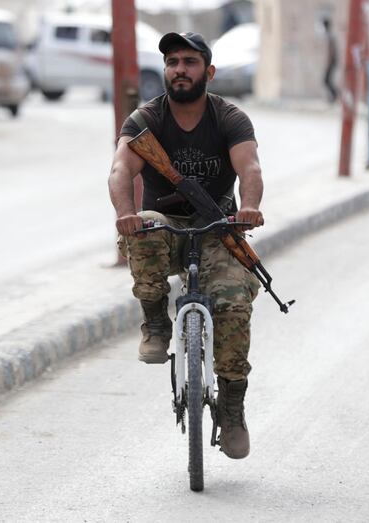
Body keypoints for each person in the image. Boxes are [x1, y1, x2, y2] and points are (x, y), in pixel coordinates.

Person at [108, 32, 264, 459]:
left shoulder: (229, 117)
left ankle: (232, 408)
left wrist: (248, 207)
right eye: (173, 61)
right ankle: (156, 323)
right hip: (165, 234)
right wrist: (126, 213)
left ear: (208, 72)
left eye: (190, 62)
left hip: (218, 229)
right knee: (146, 224)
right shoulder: (146, 119)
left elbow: (249, 166)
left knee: (233, 300)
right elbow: (121, 169)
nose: (180, 69)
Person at [323, 18, 338, 103]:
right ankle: (333, 96)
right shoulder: (330, 35)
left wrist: (328, 63)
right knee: (328, 80)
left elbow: (331, 51)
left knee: (326, 80)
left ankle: (335, 95)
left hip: (332, 62)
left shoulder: (330, 36)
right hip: (333, 61)